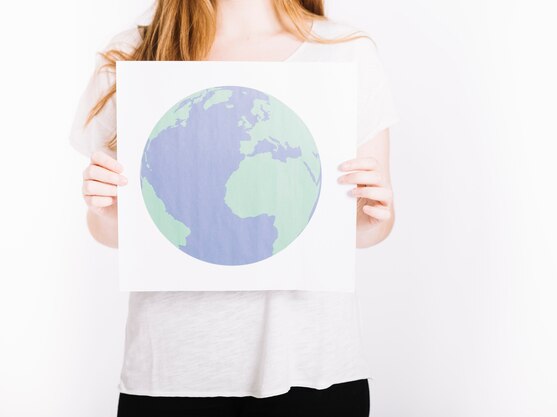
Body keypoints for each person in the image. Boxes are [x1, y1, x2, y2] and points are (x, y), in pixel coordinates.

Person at [68, 1, 399, 416]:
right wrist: (106, 211)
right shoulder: (134, 54)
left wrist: (371, 219)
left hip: (311, 366)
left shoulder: (345, 51)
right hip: (170, 373)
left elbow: (366, 228)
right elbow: (111, 231)